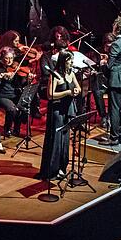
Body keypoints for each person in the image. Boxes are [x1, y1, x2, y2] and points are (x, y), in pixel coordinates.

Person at [38, 50, 80, 180]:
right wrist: (67, 92)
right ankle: (52, 170)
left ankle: (62, 167)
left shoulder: (71, 73)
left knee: (65, 140)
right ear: (63, 61)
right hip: (56, 111)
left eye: (72, 60)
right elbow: (50, 95)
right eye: (69, 61)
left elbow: (77, 87)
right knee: (56, 140)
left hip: (67, 109)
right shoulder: (55, 75)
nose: (72, 63)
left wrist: (76, 91)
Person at [100, 17, 121, 145]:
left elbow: (109, 66)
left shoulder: (116, 44)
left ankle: (113, 137)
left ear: (117, 28)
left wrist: (104, 63)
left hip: (116, 79)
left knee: (114, 108)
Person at [0, 47, 31, 138]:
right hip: (1, 95)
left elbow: (22, 83)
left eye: (11, 58)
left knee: (23, 106)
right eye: (7, 58)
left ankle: (17, 128)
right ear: (2, 58)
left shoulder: (15, 68)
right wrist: (2, 77)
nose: (9, 60)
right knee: (12, 108)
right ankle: (7, 128)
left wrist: (27, 79)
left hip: (14, 94)